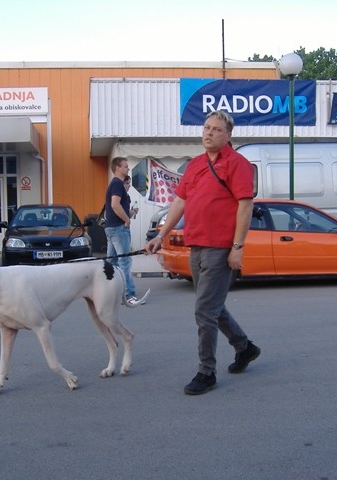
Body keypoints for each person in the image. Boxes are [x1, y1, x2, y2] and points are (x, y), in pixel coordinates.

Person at [145, 110, 260, 395]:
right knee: (213, 307)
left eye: (216, 129)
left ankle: (206, 372)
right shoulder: (195, 165)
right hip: (195, 245)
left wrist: (237, 248)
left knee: (204, 311)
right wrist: (161, 235)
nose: (209, 133)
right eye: (206, 128)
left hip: (220, 248)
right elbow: (179, 203)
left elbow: (245, 207)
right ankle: (244, 347)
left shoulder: (238, 165)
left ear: (228, 135)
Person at [105, 157, 144, 305]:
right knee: (125, 261)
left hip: (111, 228)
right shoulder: (117, 184)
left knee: (112, 262)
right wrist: (127, 220)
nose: (128, 168)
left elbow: (115, 205)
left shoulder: (114, 184)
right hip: (118, 228)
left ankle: (110, 294)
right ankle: (129, 295)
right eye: (126, 166)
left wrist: (128, 213)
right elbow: (115, 205)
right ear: (117, 168)